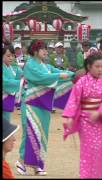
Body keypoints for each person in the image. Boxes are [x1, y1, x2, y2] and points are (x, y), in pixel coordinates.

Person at [15, 39, 74, 176]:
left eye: (46, 49)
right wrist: (60, 75)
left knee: (42, 133)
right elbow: (42, 78)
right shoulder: (30, 64)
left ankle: (38, 164)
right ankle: (21, 161)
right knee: (30, 132)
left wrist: (72, 75)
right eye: (43, 49)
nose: (46, 51)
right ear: (35, 50)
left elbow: (57, 73)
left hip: (43, 103)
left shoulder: (46, 65)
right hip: (31, 102)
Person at [62, 52, 102, 178]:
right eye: (97, 66)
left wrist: (99, 112)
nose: (100, 69)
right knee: (87, 152)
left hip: (100, 122)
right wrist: (70, 117)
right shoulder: (81, 82)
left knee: (100, 152)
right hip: (85, 121)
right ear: (89, 67)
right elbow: (74, 100)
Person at [3, 40, 23, 121]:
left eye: (12, 55)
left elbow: (24, 74)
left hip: (6, 101)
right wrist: (21, 82)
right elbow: (4, 82)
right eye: (8, 56)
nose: (11, 58)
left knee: (6, 121)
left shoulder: (12, 68)